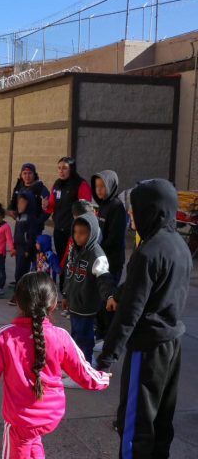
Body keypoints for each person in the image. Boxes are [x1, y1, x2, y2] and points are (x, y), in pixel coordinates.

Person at [0, 272, 111, 459]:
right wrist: (102, 378)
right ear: (53, 304)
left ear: (18, 302)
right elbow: (83, 371)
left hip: (21, 420)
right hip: (51, 415)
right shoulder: (60, 336)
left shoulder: (6, 336)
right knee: (33, 441)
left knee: (20, 445)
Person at [97, 179, 192, 459]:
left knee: (135, 423)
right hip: (171, 345)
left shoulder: (148, 252)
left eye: (134, 208)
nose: (130, 213)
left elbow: (130, 312)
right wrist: (118, 294)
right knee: (160, 420)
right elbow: (141, 288)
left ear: (150, 209)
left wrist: (107, 357)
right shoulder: (179, 245)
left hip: (147, 348)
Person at [61, 212, 116, 366]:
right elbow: (69, 275)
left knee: (84, 338)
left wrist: (110, 296)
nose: (77, 236)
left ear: (92, 234)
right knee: (75, 336)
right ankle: (76, 364)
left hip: (86, 306)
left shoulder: (97, 255)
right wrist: (65, 295)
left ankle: (86, 365)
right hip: (74, 305)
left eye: (82, 233)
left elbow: (104, 279)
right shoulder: (74, 250)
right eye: (75, 232)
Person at [43, 157, 93, 291]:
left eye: (64, 168)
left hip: (74, 232)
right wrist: (46, 206)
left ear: (72, 169)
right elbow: (51, 206)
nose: (61, 171)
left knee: (72, 261)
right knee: (61, 260)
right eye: (59, 168)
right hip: (59, 229)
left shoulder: (80, 184)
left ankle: (72, 292)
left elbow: (86, 209)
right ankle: (63, 290)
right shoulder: (57, 184)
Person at [91, 170, 127, 344]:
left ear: (111, 186)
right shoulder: (102, 206)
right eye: (96, 186)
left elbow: (114, 238)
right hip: (101, 258)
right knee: (99, 296)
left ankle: (108, 336)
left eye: (102, 186)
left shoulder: (116, 207)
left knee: (108, 298)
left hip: (111, 260)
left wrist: (98, 250)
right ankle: (100, 331)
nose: (99, 190)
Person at [8, 163, 50, 227]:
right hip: (20, 225)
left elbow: (48, 208)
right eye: (25, 173)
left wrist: (38, 221)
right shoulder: (19, 186)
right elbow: (14, 199)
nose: (27, 176)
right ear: (21, 175)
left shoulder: (41, 188)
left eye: (30, 173)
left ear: (34, 175)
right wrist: (11, 209)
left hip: (34, 228)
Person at [13, 192, 41, 285]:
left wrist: (27, 249)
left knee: (22, 271)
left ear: (29, 204)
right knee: (18, 271)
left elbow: (32, 235)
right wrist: (14, 246)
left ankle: (22, 289)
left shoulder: (31, 218)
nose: (20, 205)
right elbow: (16, 232)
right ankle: (18, 288)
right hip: (18, 247)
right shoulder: (19, 217)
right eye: (19, 202)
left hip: (25, 249)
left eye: (23, 203)